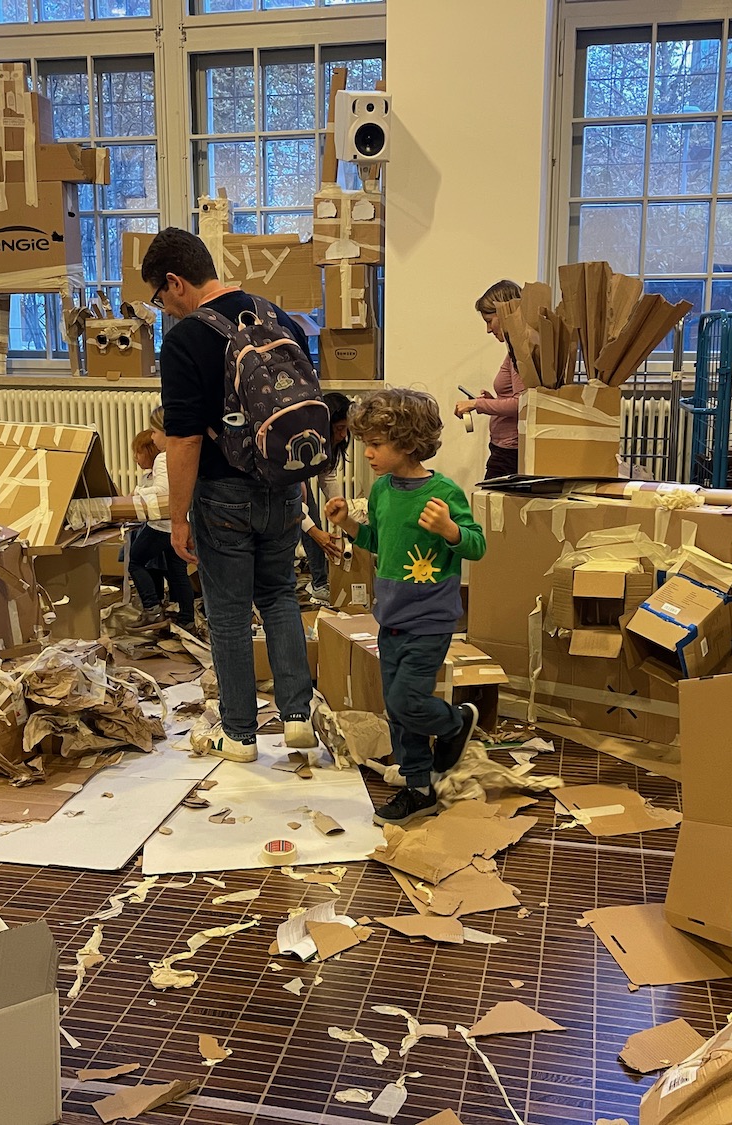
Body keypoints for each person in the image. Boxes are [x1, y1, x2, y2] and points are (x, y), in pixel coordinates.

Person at [143, 226, 317, 762]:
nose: (163, 309)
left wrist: (176, 518)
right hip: (281, 486)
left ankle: (239, 734)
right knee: (281, 596)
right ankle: (296, 721)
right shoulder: (279, 317)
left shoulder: (185, 339)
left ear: (175, 282)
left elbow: (185, 437)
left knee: (228, 612)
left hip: (223, 496)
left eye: (158, 297)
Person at [324, 389, 486, 826]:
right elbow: (378, 543)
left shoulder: (443, 491)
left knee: (407, 700)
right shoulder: (381, 491)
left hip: (430, 620)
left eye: (377, 444)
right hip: (390, 619)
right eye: (365, 444)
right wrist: (347, 525)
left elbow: (477, 545)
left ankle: (454, 723)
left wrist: (450, 529)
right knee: (397, 710)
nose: (368, 453)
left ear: (409, 442)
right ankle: (419, 789)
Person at [127, 409, 196, 629]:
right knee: (177, 572)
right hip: (178, 523)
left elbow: (163, 490)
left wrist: (137, 492)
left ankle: (152, 609)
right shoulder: (183, 453)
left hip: (162, 523)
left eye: (155, 432)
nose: (153, 437)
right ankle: (186, 619)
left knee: (135, 561)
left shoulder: (164, 458)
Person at [454, 279, 526, 480]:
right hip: (503, 448)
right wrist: (491, 401)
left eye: (489, 321)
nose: (488, 329)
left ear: (504, 315)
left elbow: (522, 404)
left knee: (489, 508)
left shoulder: (520, 350)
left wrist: (478, 404)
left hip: (510, 452)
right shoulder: (514, 349)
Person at [300, 391, 352, 604]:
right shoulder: (303, 443)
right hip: (286, 484)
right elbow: (295, 499)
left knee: (316, 527)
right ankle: (319, 584)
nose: (342, 435)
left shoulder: (332, 444)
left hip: (297, 484)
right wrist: (314, 532)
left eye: (346, 429)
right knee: (311, 528)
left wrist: (343, 509)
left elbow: (327, 476)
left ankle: (320, 583)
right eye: (339, 429)